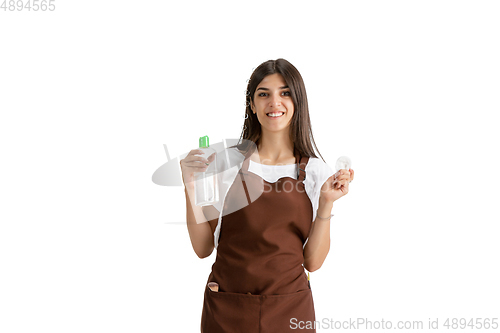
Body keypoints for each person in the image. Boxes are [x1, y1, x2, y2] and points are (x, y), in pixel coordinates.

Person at [180, 58, 354, 332]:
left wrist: (326, 204)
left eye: (285, 93)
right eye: (264, 94)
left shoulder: (318, 172)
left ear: (298, 102)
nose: (275, 102)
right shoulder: (225, 163)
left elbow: (313, 262)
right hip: (228, 310)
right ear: (252, 104)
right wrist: (190, 183)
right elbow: (203, 248)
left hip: (290, 311)